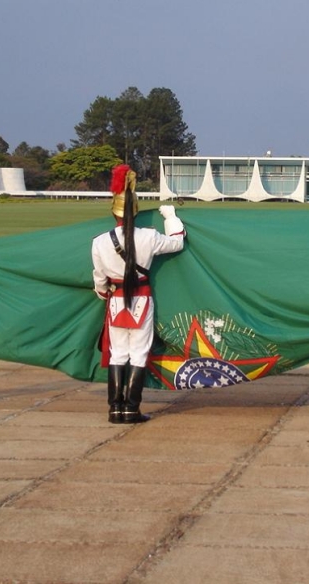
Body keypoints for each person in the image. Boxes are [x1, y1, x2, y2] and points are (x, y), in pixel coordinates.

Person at [92, 164, 186, 423]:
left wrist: (103, 292)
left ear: (113, 211)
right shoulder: (149, 237)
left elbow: (99, 280)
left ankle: (115, 409)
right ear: (136, 210)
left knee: (118, 353)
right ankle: (131, 409)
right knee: (139, 354)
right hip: (141, 300)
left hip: (115, 301)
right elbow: (178, 241)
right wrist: (170, 216)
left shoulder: (99, 242)